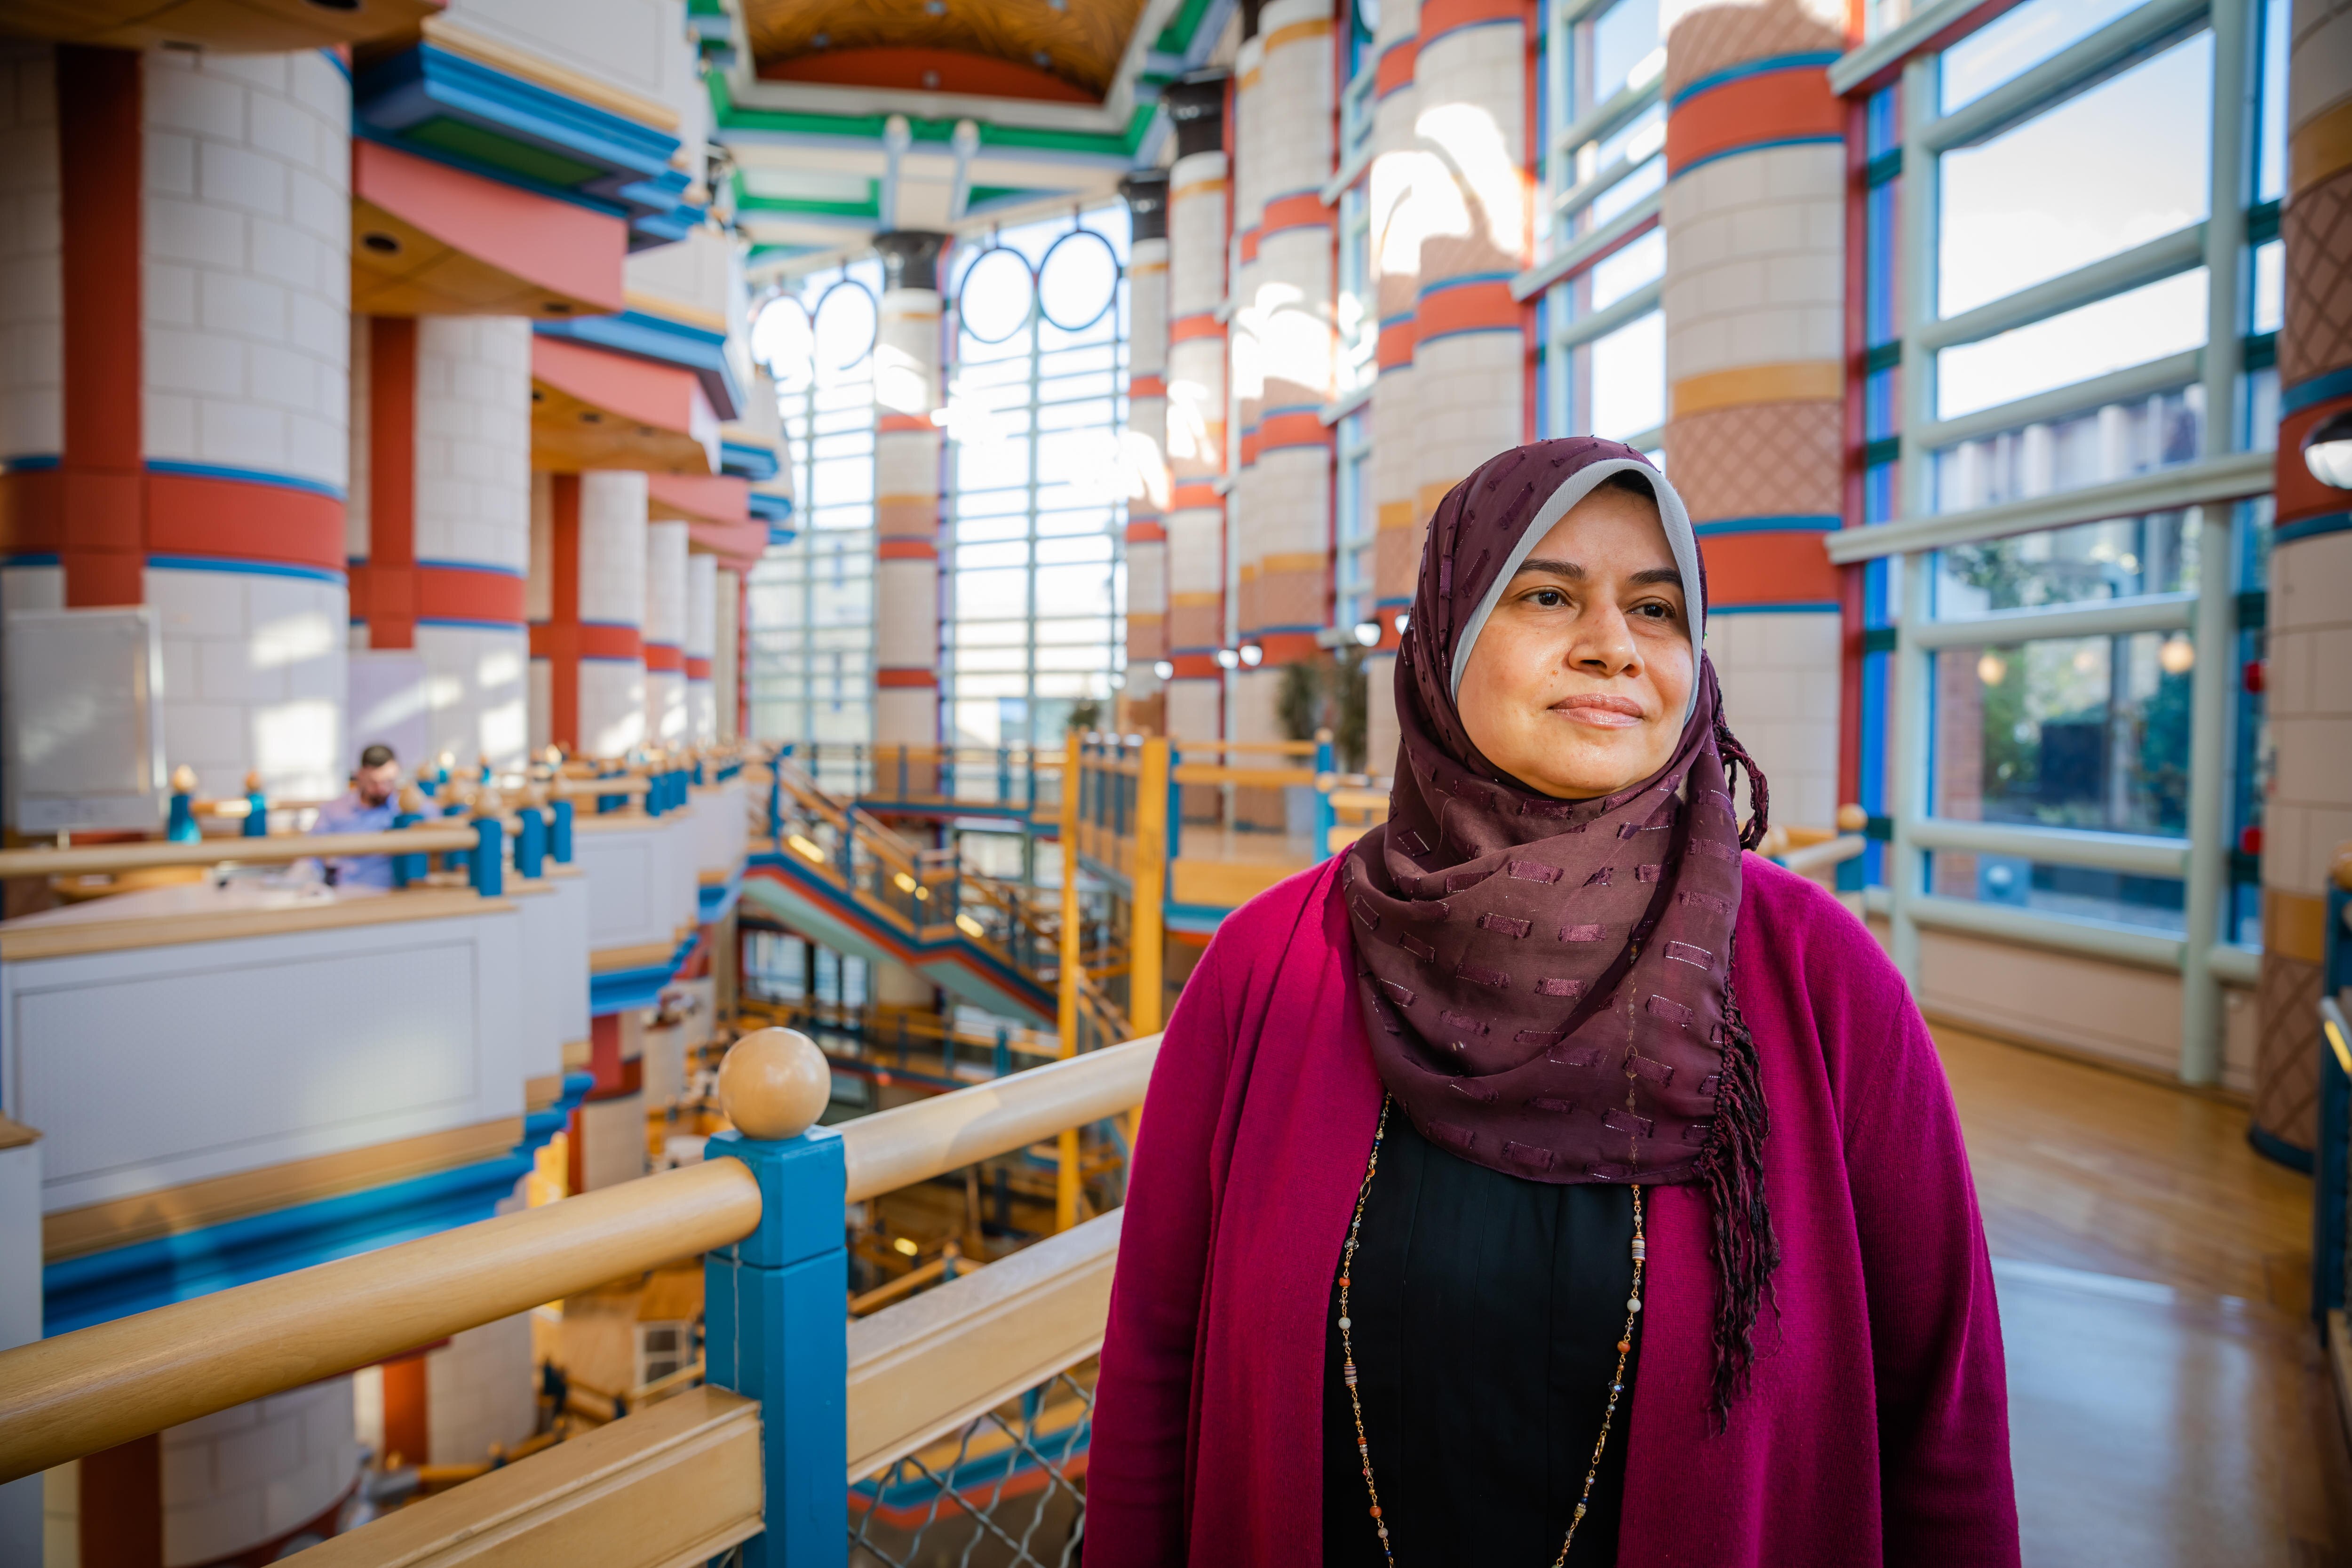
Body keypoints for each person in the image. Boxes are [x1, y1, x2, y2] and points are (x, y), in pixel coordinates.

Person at [1085, 439, 2018, 1567]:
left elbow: (1944, 1419)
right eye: (1547, 594)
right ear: (1446, 633)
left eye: (1658, 608)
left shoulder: (1814, 976)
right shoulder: (1269, 967)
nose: (1613, 647)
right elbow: (1154, 1367)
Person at [311, 743, 434, 888]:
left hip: (388, 892)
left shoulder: (409, 808)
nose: (381, 789)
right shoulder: (334, 809)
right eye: (374, 782)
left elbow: (438, 826)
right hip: (339, 888)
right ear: (360, 775)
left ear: (397, 773)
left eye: (388, 781)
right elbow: (311, 854)